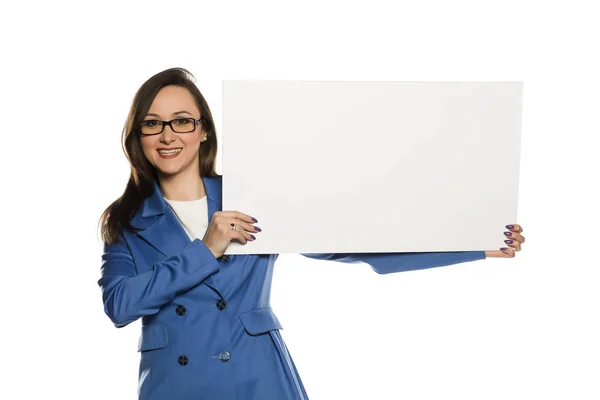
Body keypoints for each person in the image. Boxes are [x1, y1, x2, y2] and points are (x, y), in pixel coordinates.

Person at [97, 67, 526, 400]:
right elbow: (119, 305)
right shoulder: (127, 218)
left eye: (182, 120)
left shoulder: (250, 194)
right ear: (139, 136)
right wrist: (206, 249)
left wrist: (477, 243)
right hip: (177, 384)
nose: (168, 134)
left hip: (256, 374)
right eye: (153, 124)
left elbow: (352, 247)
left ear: (204, 129)